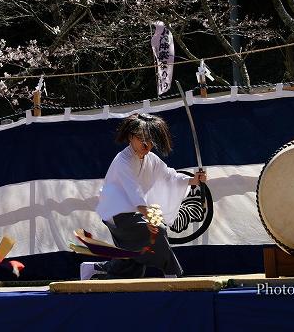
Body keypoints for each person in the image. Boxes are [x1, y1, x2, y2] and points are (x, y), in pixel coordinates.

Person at [80, 113, 207, 281]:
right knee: (158, 232)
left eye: (150, 139)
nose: (146, 143)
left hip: (134, 211)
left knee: (134, 260)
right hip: (116, 211)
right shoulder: (123, 161)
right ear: (131, 137)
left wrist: (193, 180)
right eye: (141, 138)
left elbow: (169, 176)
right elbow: (135, 192)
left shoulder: (152, 160)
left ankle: (95, 269)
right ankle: (172, 274)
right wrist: (150, 217)